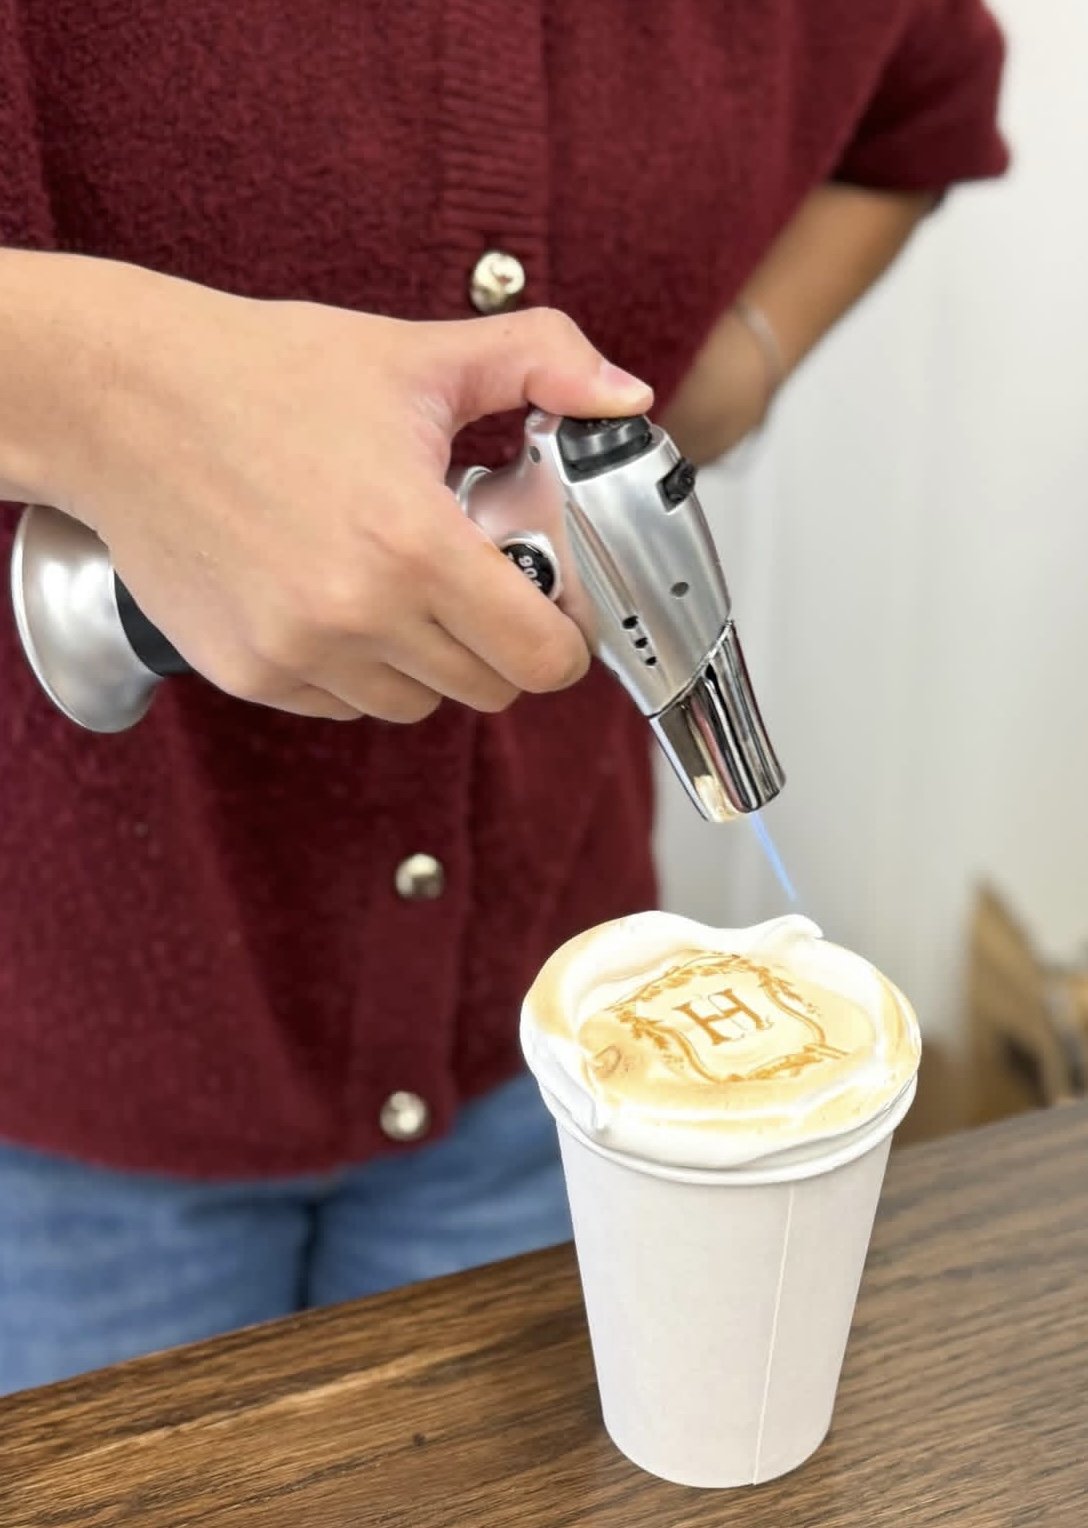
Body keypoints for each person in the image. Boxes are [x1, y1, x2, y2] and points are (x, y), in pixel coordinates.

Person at [0, 0, 1007, 1393]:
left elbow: (928, 99)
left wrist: (735, 373)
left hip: (553, 1053)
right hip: (61, 1105)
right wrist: (97, 392)